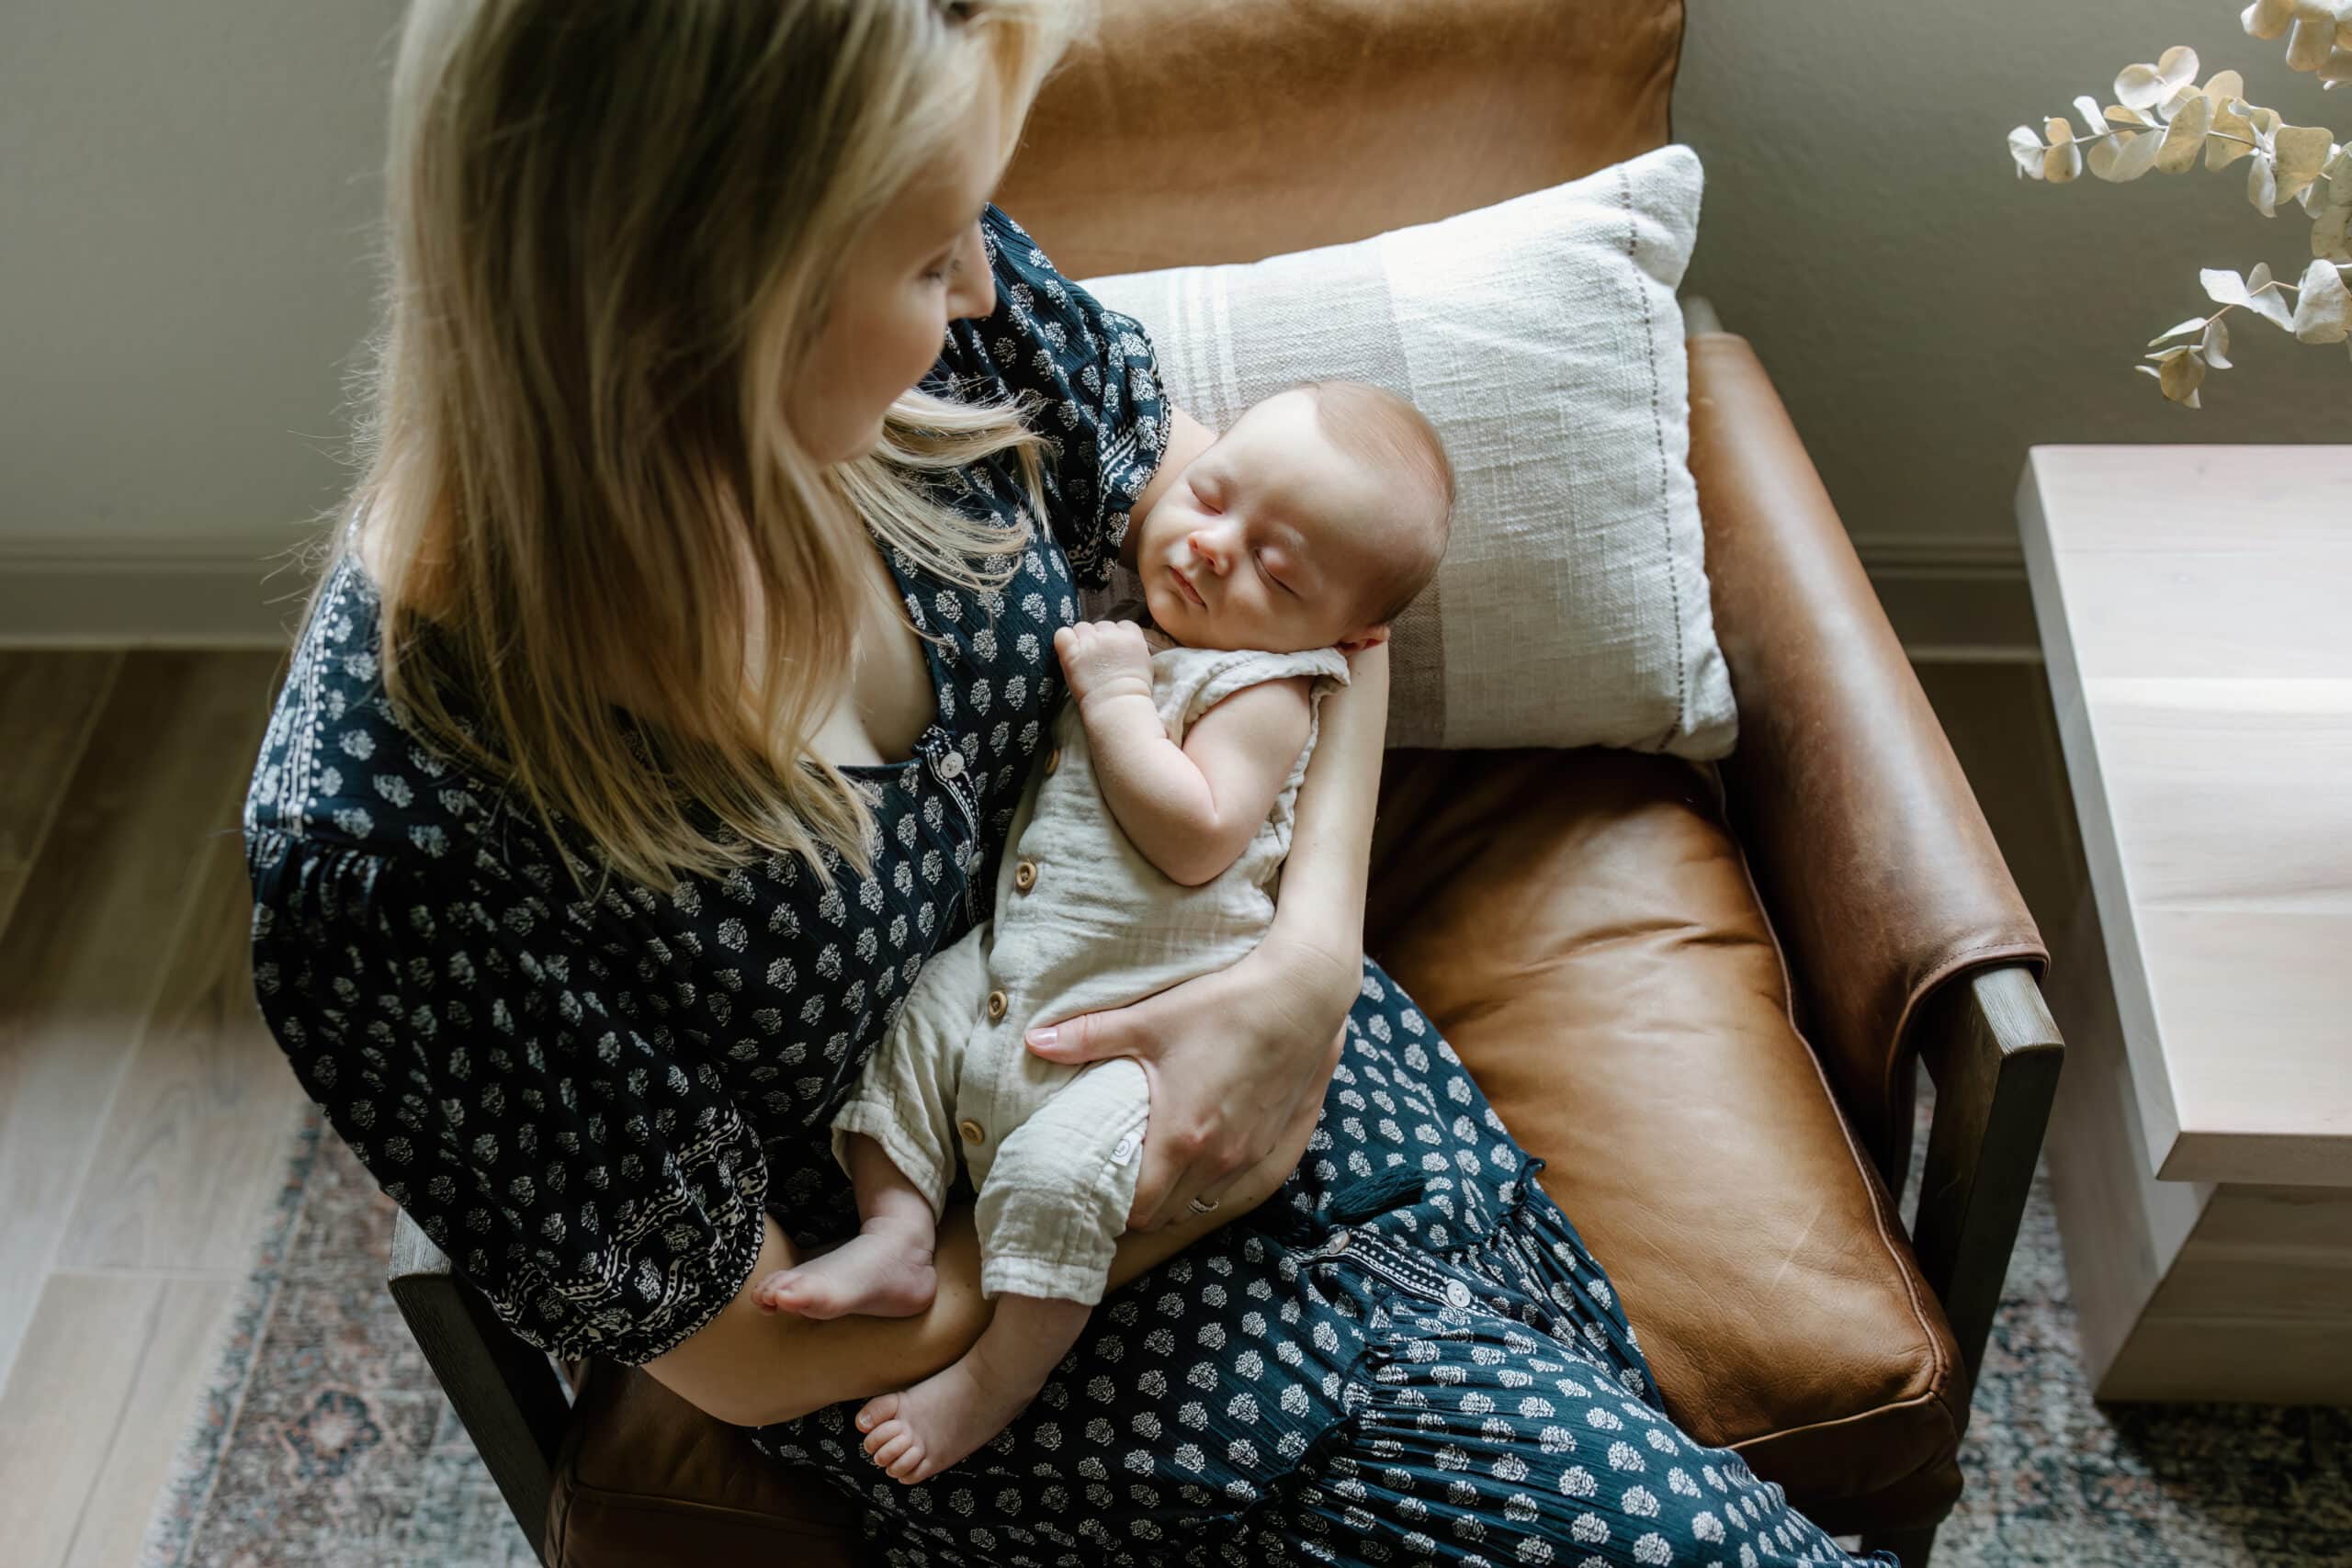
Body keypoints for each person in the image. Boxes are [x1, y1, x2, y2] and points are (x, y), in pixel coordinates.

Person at [242, 1, 1897, 1562]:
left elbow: (1321, 622)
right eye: (919, 250)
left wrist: (1311, 972)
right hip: (1055, 1363)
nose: (981, 285)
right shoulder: (393, 856)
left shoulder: (948, 354)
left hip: (1305, 1074)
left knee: (1631, 1465)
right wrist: (1164, 1176)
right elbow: (755, 1353)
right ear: (690, 301)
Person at [752, 383, 1453, 1484]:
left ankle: (997, 1378)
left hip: (1139, 1039)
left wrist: (1122, 704)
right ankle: (894, 1233)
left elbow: (1197, 834)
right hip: (1013, 975)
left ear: (1348, 636)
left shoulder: (1266, 685)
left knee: (1059, 1179)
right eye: (1213, 497)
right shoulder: (1139, 603)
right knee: (916, 1025)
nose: (1217, 550)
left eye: (1279, 571)